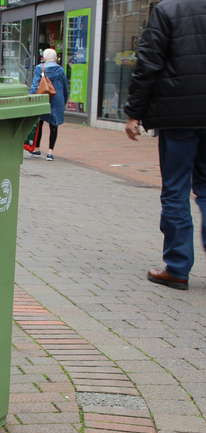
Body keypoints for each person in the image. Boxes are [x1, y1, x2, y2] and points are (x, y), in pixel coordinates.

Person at [124, 0, 206, 291]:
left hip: (178, 115)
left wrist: (135, 111)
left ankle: (177, 267)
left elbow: (148, 62)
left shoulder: (167, 10)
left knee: (176, 189)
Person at [28, 48, 68, 161]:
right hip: (56, 99)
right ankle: (50, 152)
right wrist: (65, 100)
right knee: (53, 125)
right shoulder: (60, 70)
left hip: (43, 98)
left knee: (39, 123)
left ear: (44, 58)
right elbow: (65, 86)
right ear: (55, 58)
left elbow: (35, 85)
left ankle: (36, 148)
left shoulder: (39, 68)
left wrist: (31, 96)